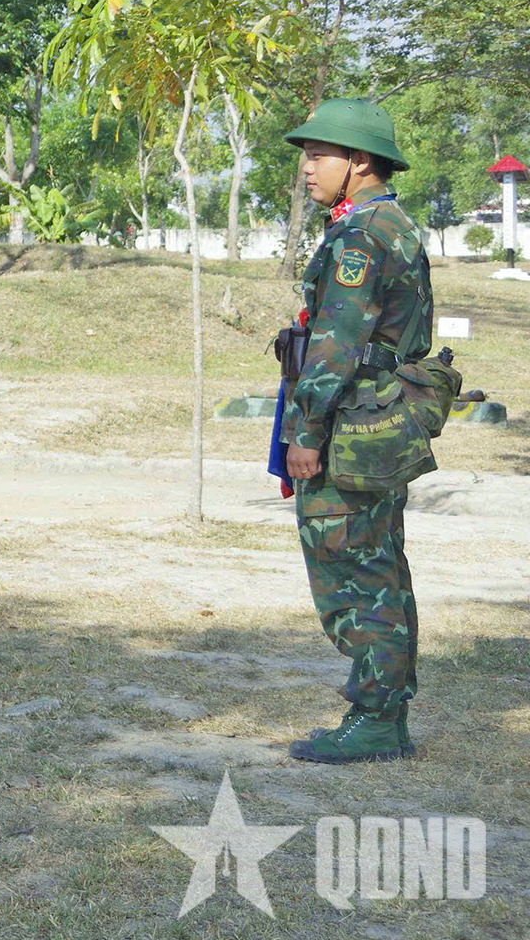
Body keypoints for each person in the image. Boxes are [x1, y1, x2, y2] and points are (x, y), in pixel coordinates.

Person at [280, 99, 432, 765]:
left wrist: (306, 431)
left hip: (350, 426)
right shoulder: (389, 223)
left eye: (320, 155)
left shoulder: (362, 235)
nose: (307, 167)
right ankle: (385, 714)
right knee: (380, 568)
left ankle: (375, 719)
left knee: (354, 573)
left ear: (360, 161)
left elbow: (337, 344)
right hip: (378, 420)